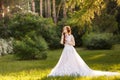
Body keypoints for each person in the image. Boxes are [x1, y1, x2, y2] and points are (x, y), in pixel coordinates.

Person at [48, 26, 120, 77]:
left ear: (68, 30)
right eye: (63, 29)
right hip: (65, 50)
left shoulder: (71, 36)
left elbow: (74, 44)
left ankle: (74, 70)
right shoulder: (64, 36)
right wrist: (62, 36)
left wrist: (68, 42)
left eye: (65, 29)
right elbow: (61, 43)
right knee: (64, 61)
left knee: (73, 60)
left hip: (70, 49)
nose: (63, 30)